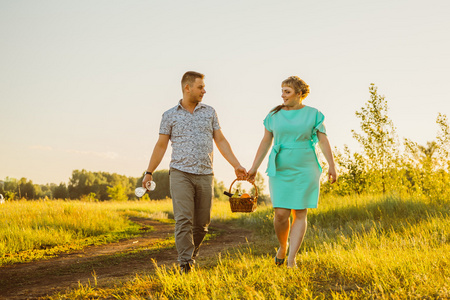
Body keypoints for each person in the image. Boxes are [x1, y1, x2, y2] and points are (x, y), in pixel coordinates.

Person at [142, 71, 247, 273]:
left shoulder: (210, 112)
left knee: (201, 225)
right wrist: (149, 172)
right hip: (180, 173)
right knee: (183, 219)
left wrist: (236, 164)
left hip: (206, 174)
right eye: (200, 87)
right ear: (187, 87)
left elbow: (221, 140)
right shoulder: (169, 115)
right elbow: (161, 146)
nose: (204, 91)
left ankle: (191, 255)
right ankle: (185, 264)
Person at [247, 76, 337, 268]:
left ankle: (291, 259)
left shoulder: (314, 114)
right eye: (282, 91)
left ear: (299, 94)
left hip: (306, 166)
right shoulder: (274, 115)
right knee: (280, 213)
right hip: (280, 167)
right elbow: (265, 142)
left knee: (300, 212)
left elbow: (323, 141)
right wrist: (254, 168)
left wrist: (332, 165)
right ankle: (282, 246)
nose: (283, 95)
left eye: (287, 92)